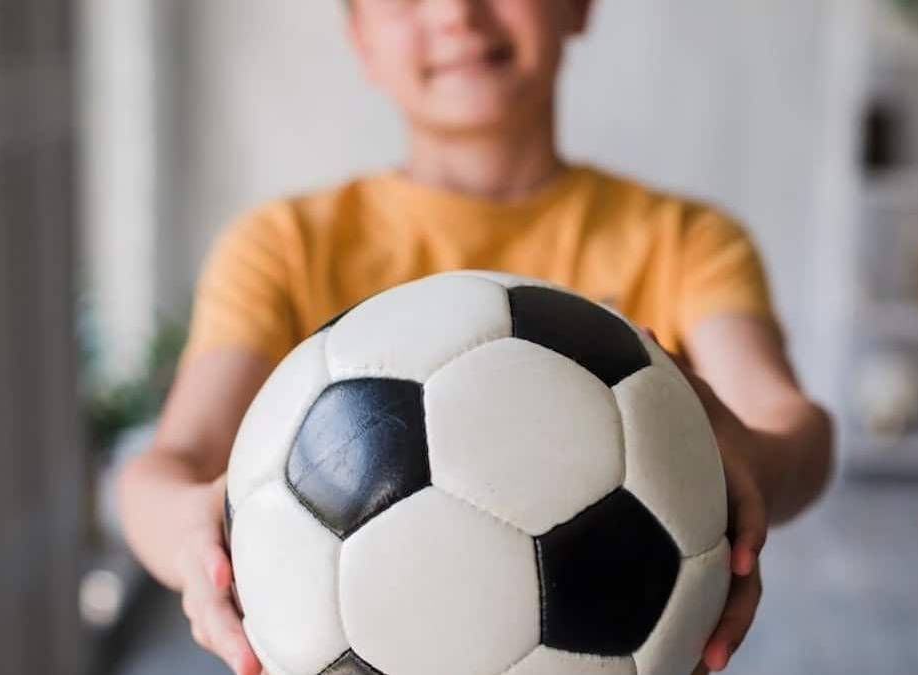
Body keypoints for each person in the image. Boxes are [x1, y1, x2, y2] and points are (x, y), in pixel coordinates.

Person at [118, 1, 834, 673]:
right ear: (361, 37)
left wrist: (754, 461)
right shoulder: (282, 247)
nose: (457, 13)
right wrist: (192, 531)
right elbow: (162, 469)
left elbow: (793, 425)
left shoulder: (684, 242)